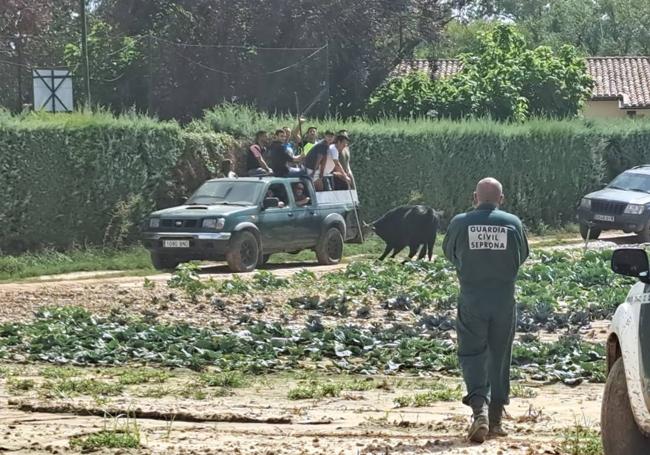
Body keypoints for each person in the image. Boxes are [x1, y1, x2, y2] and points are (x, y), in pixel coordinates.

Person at [442, 178, 529, 444]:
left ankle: (478, 408)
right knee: (499, 355)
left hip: (472, 299)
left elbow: (449, 253)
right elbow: (522, 255)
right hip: (503, 300)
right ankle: (496, 420)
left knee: (472, 353)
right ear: (501, 199)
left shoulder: (459, 223)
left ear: (474, 197)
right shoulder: (513, 223)